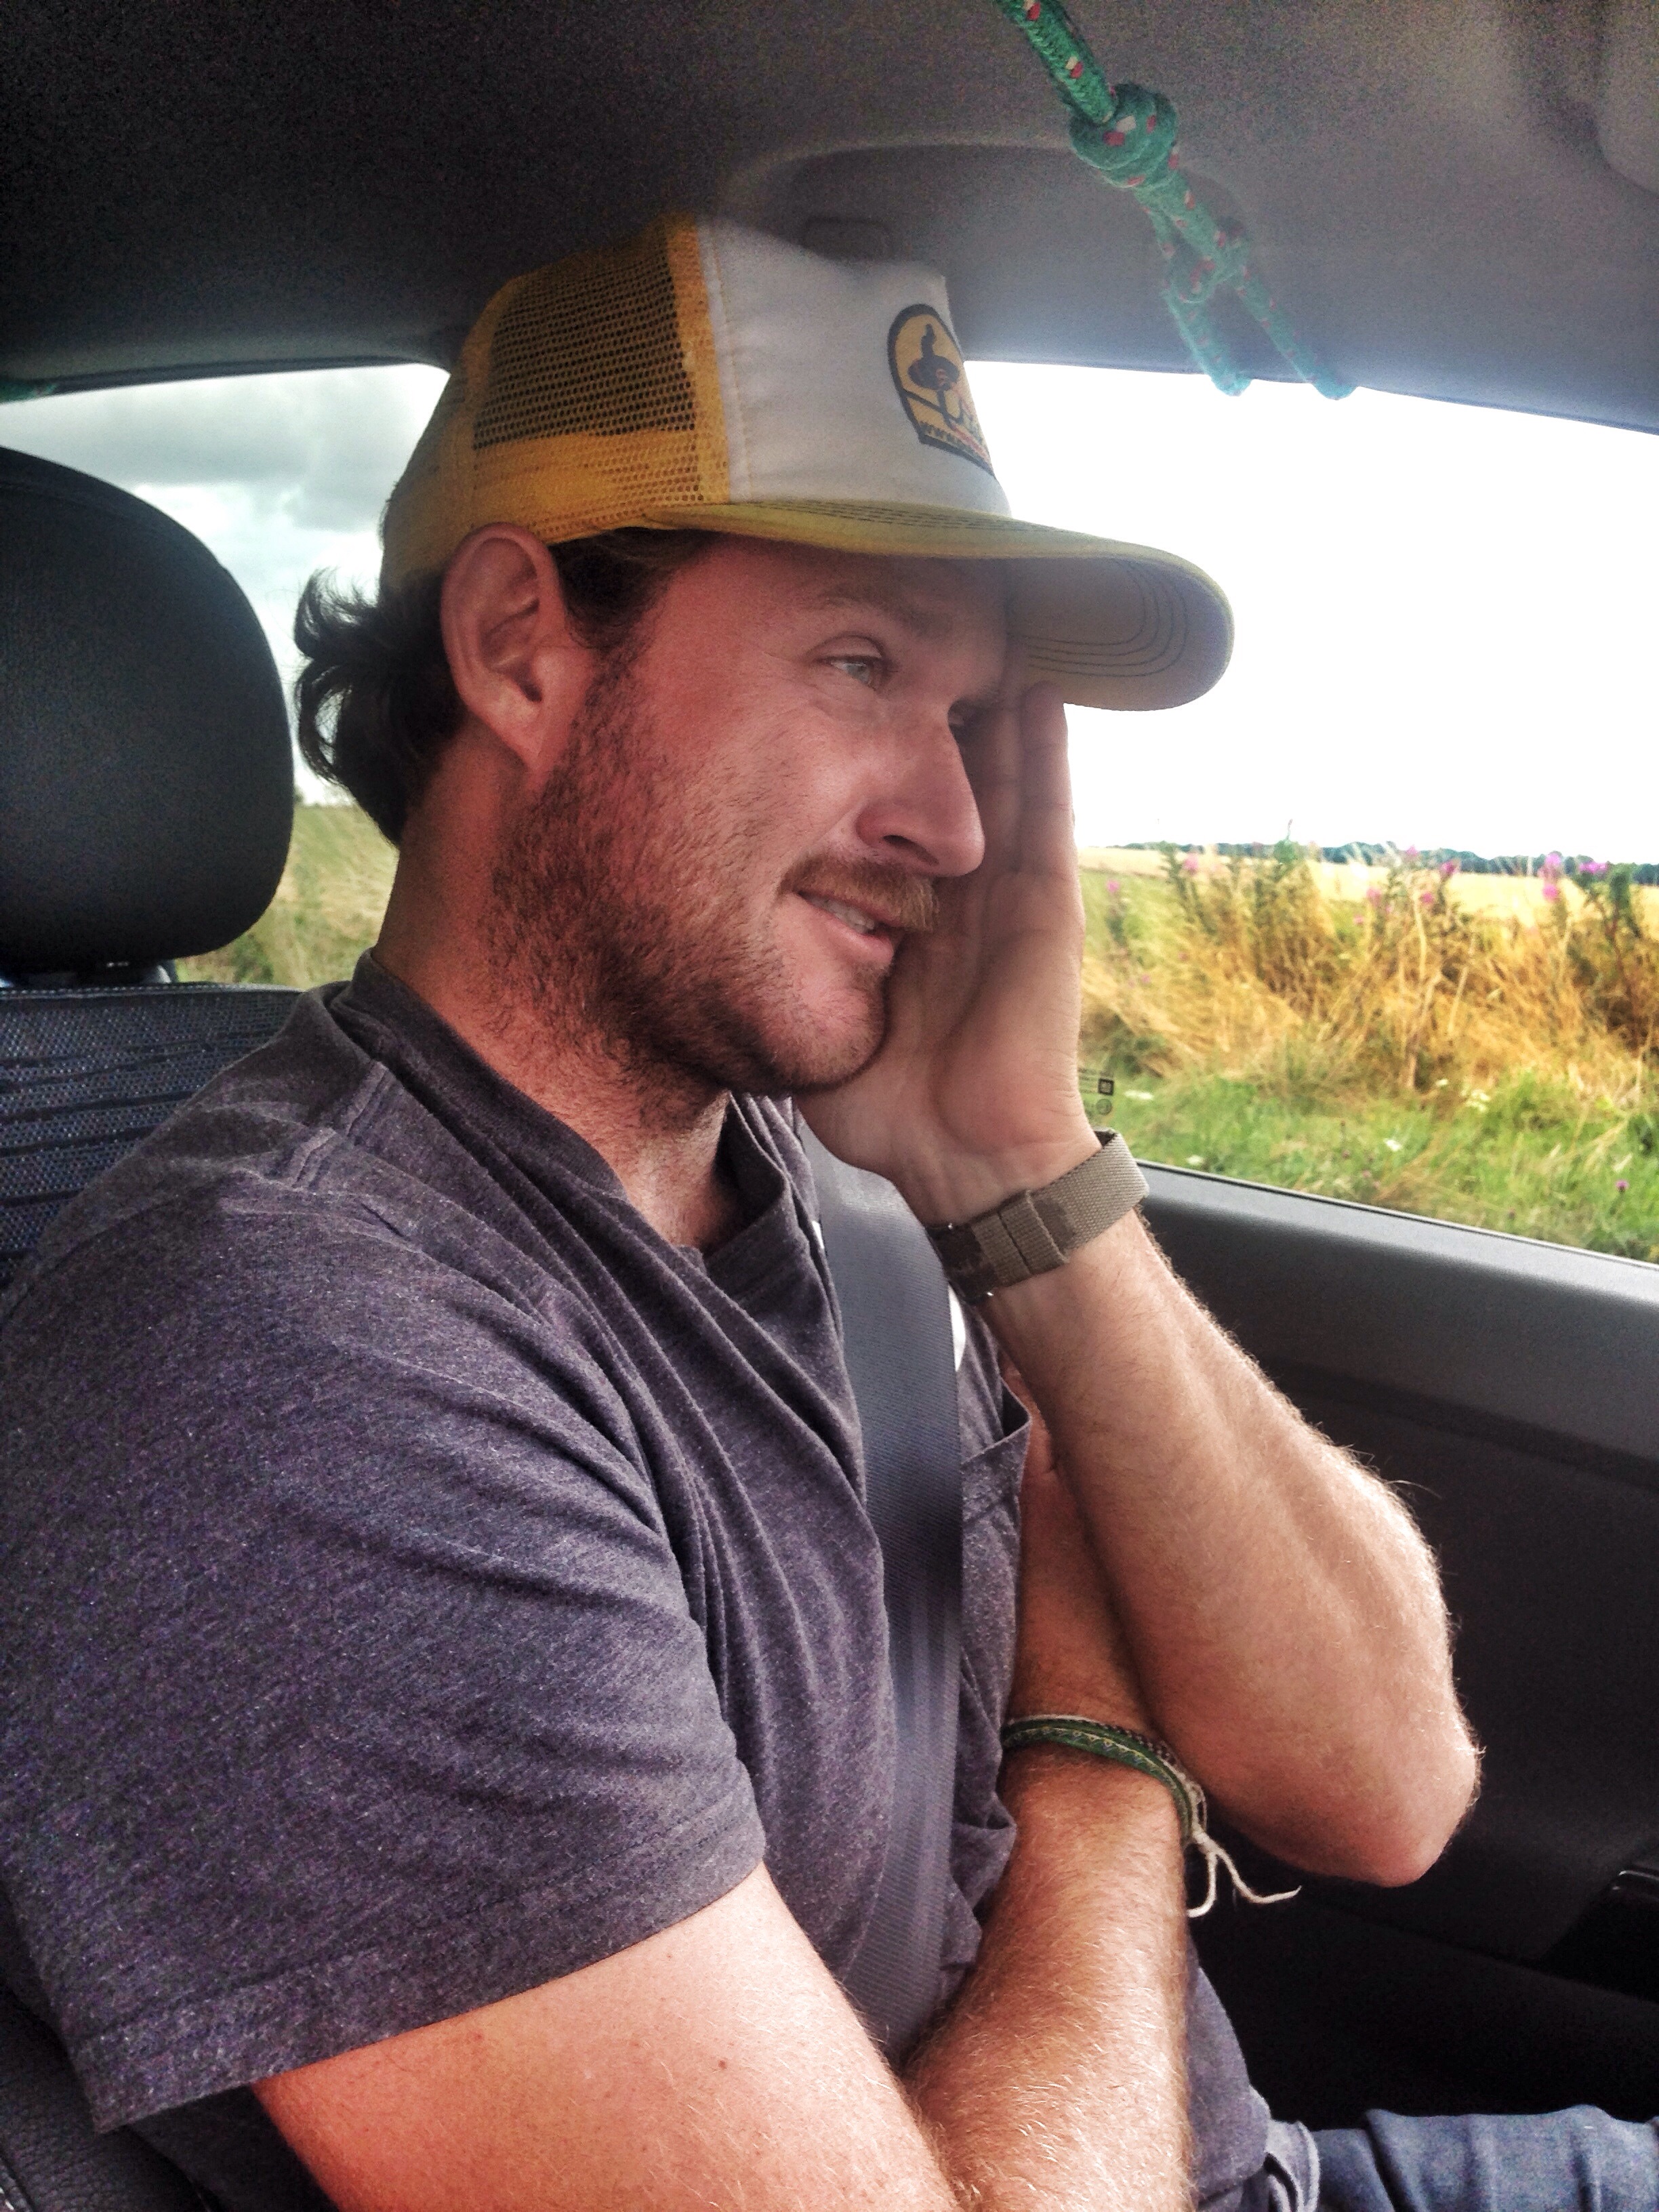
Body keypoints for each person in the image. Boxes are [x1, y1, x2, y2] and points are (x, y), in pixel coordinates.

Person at [0, 213, 1641, 2212]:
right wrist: (1101, 1744)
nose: (954, 823)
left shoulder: (839, 1175)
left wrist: (1019, 1167)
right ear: (521, 646)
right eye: (863, 665)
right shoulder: (286, 1361)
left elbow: (1390, 1787)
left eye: (967, 717)